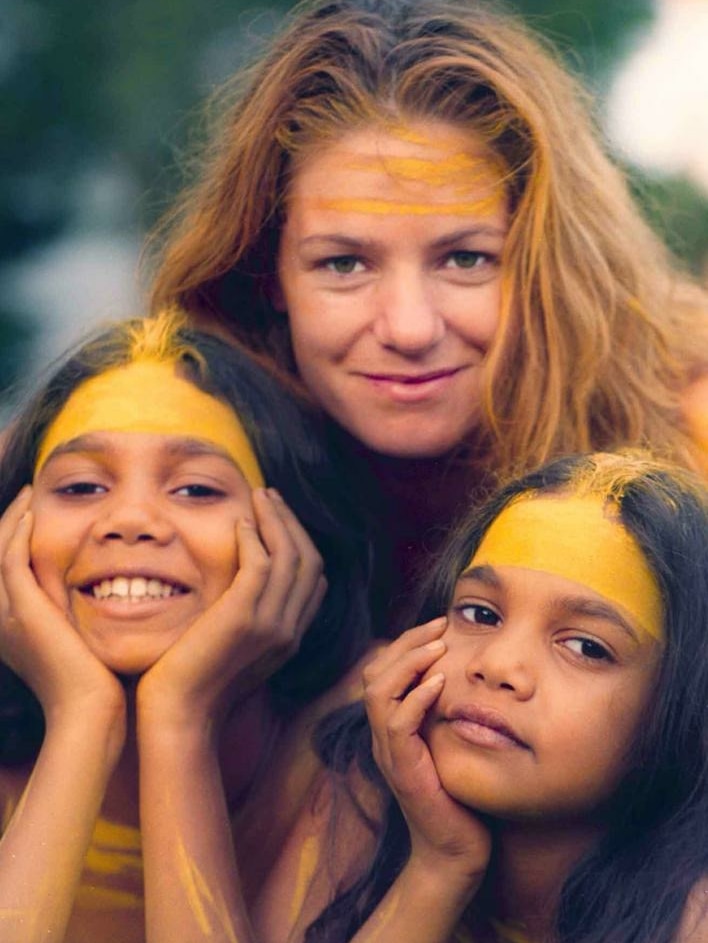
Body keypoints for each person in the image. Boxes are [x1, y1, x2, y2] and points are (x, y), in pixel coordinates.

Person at [147, 0, 708, 626]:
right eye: (344, 265)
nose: (409, 328)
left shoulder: (692, 437)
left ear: (548, 264)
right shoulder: (149, 482)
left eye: (465, 259)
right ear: (266, 272)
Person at [0, 311, 371, 943]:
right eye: (83, 486)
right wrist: (83, 718)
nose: (131, 520)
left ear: (295, 540)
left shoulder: (369, 735)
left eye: (196, 490)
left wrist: (179, 717)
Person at [288, 450, 706, 943]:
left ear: (685, 711)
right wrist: (440, 866)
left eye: (584, 646)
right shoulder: (364, 796)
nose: (497, 666)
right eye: (481, 615)